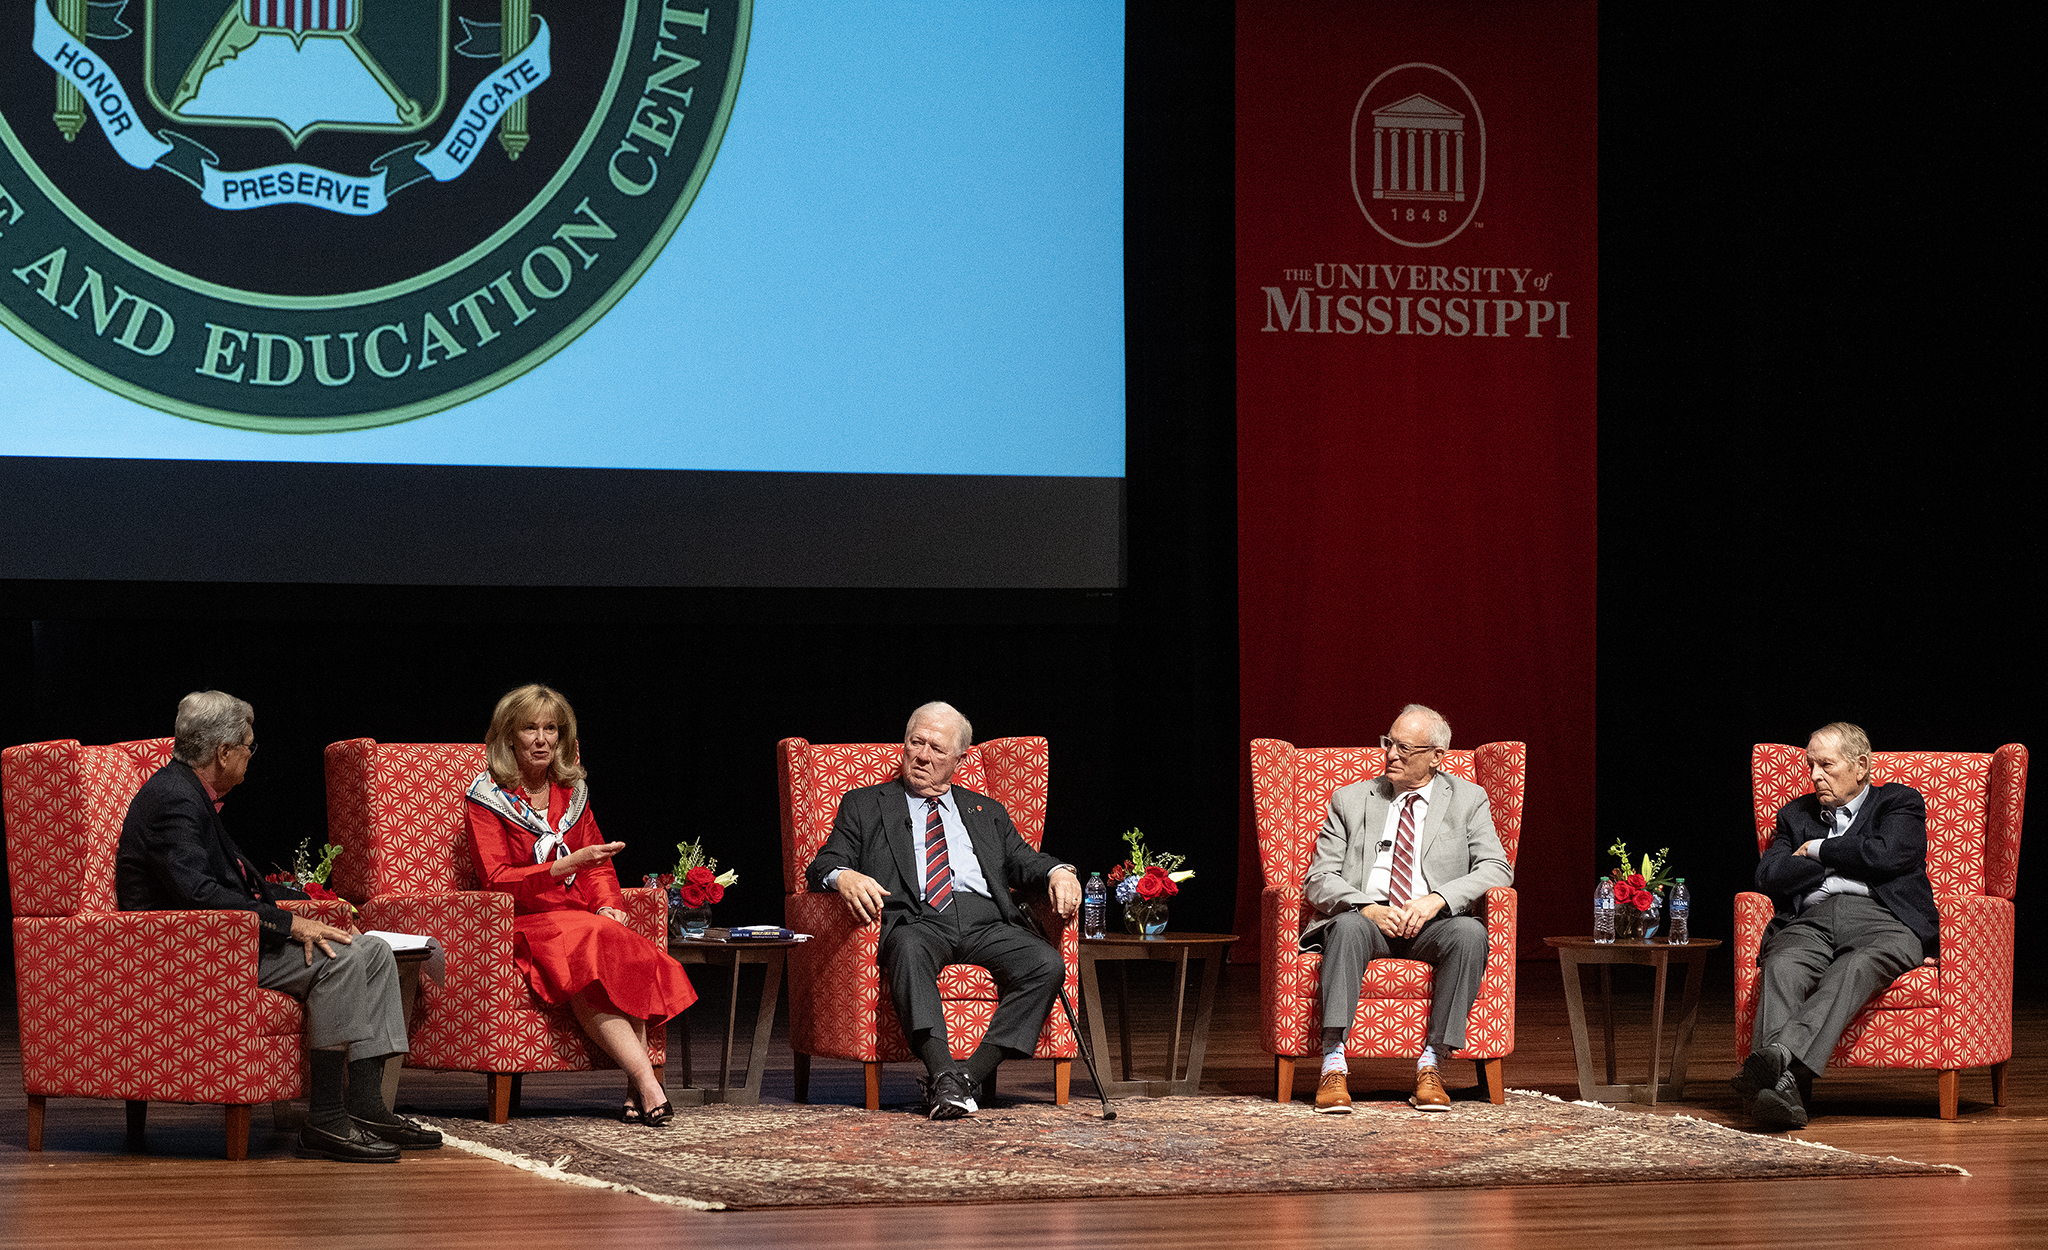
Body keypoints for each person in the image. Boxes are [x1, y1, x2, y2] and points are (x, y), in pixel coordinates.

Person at [116, 690, 438, 1163]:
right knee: (340, 961)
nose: (251, 754)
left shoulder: (192, 792)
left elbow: (238, 884)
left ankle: (368, 1106)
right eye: (248, 745)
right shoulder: (173, 799)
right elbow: (197, 895)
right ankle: (325, 1120)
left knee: (371, 950)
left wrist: (306, 899)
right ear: (223, 751)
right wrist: (290, 924)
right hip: (190, 953)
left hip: (226, 938)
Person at [806, 702, 1081, 1119]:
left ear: (959, 759)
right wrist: (844, 876)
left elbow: (1025, 861)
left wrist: (1060, 872)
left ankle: (962, 1079)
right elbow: (823, 863)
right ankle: (941, 1071)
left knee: (1044, 963)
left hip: (985, 920)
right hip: (915, 919)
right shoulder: (865, 804)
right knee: (908, 949)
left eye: (937, 748)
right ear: (904, 744)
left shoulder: (984, 810)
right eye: (916, 742)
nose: (923, 755)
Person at [464, 684, 697, 1126]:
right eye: (530, 728)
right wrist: (558, 867)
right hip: (521, 920)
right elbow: (494, 881)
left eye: (550, 728)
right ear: (509, 737)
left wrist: (609, 904)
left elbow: (596, 865)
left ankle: (638, 1088)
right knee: (596, 942)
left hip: (578, 919)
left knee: (616, 936)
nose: (541, 739)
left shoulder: (571, 793)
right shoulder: (487, 797)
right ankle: (648, 1085)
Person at [1301, 703, 1513, 1114]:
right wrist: (1367, 907)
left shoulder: (1468, 799)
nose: (1390, 755)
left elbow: (1496, 868)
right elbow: (1318, 878)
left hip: (1433, 923)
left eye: (1404, 748)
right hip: (1368, 921)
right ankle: (1332, 1064)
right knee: (1344, 928)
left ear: (1437, 757)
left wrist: (1438, 899)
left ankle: (1433, 1064)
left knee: (1471, 933)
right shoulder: (1350, 799)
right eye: (1388, 743)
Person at [1736, 721, 1936, 1131]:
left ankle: (1773, 1074)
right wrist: (1835, 858)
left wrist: (1817, 850)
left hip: (1884, 921)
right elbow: (1769, 874)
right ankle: (1782, 1094)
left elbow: (1888, 855)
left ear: (1860, 766)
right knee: (1782, 966)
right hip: (1809, 921)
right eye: (1810, 765)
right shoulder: (1796, 815)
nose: (1814, 776)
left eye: (1826, 765)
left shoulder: (1899, 803)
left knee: (1855, 967)